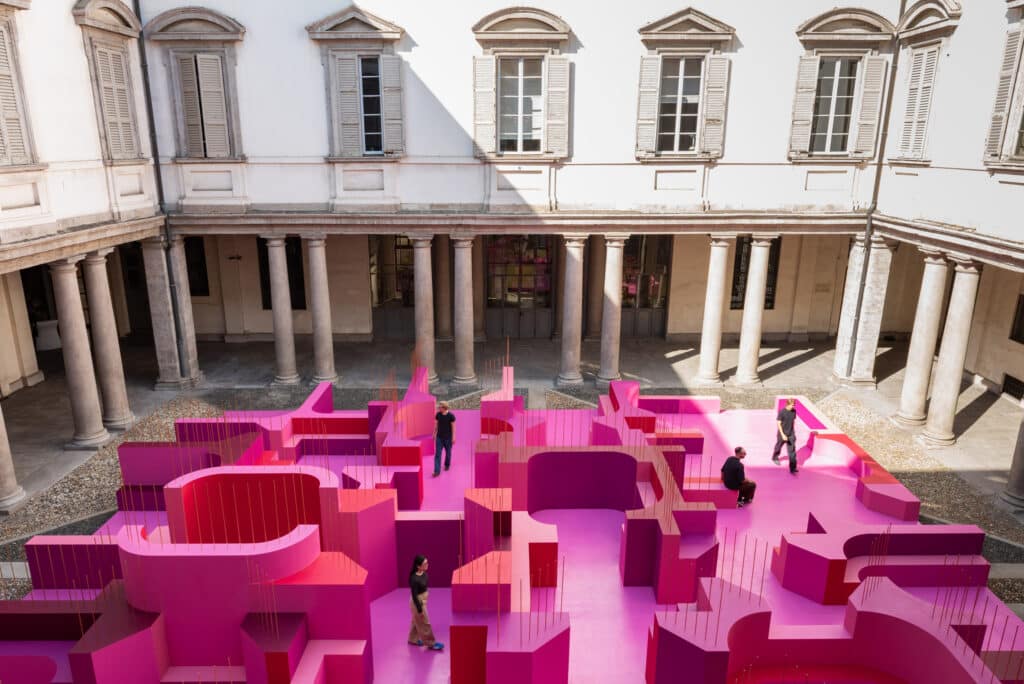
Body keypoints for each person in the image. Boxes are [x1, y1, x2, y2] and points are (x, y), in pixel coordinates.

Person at [408, 555, 444, 651]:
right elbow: (415, 596)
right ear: (418, 566)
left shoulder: (424, 574)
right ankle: (431, 643)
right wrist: (420, 610)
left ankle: (413, 639)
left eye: (427, 562)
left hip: (423, 599)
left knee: (415, 620)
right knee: (425, 622)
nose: (427, 565)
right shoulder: (414, 579)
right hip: (417, 602)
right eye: (425, 564)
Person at [772, 398, 798, 474]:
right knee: (778, 447)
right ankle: (775, 457)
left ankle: (793, 468)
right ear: (788, 404)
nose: (793, 406)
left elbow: (793, 422)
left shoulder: (794, 411)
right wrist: (783, 435)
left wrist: (793, 432)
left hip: (791, 434)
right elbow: (779, 424)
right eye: (792, 405)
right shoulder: (782, 412)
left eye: (794, 405)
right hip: (782, 434)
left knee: (792, 451)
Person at [433, 401, 456, 477]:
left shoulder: (451, 416)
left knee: (448, 453)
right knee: (437, 454)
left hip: (448, 438)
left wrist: (453, 437)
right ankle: (437, 471)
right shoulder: (438, 415)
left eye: (440, 407)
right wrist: (434, 434)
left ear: (444, 407)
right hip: (439, 438)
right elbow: (436, 425)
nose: (438, 408)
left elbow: (453, 428)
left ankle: (447, 464)